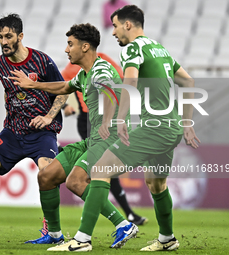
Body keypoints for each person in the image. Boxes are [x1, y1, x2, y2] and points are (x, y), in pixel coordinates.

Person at [48, 5, 201, 252]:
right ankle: (167, 239)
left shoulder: (133, 47)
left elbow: (129, 81)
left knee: (99, 170)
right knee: (156, 184)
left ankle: (82, 240)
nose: (114, 32)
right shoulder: (159, 48)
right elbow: (188, 81)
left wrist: (119, 120)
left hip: (154, 129)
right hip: (170, 127)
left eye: (116, 26)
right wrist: (186, 123)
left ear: (128, 25)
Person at [10, 23, 139, 251]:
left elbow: (109, 91)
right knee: (47, 176)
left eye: (70, 44)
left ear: (85, 46)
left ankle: (90, 238)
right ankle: (55, 234)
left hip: (111, 140)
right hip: (95, 140)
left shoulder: (101, 71)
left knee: (75, 181)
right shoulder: (85, 73)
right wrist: (34, 84)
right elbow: (64, 87)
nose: (66, 49)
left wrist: (108, 120)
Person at [0, 13, 68, 241]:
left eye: (8, 36)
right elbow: (10, 92)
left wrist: (48, 117)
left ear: (20, 36)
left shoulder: (42, 61)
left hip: (42, 133)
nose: (4, 42)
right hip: (13, 132)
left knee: (47, 172)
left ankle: (51, 229)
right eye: (0, 37)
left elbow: (63, 90)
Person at [61, 53, 148, 226]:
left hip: (106, 120)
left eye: (72, 44)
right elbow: (61, 89)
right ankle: (126, 215)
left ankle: (123, 216)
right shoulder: (71, 69)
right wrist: (66, 105)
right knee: (102, 169)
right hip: (87, 122)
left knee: (104, 169)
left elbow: (120, 82)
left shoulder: (104, 61)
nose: (68, 50)